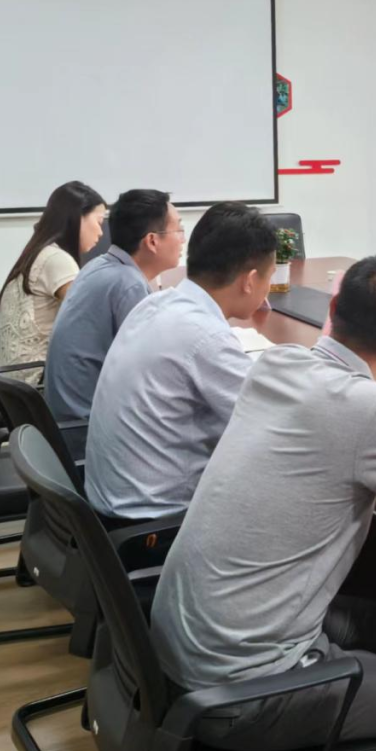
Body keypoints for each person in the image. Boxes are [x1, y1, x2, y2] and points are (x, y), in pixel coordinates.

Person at [151, 253, 376, 751]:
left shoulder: (276, 364)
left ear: (333, 309)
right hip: (245, 696)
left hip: (177, 653)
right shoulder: (374, 410)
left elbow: (329, 461)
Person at [84, 203, 276, 520]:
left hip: (109, 503)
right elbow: (271, 424)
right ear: (250, 280)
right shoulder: (206, 337)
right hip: (155, 522)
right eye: (270, 276)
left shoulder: (157, 303)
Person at [43, 189, 184, 451]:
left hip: (65, 423)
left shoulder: (99, 266)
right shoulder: (128, 285)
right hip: (88, 434)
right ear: (152, 241)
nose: (183, 239)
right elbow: (152, 377)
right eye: (179, 229)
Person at [0, 182, 105, 384]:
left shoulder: (40, 252)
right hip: (35, 382)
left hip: (11, 381)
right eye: (99, 222)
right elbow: (87, 324)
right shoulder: (57, 260)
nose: (101, 232)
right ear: (77, 218)